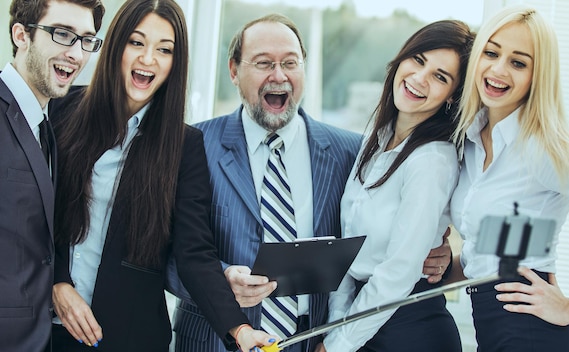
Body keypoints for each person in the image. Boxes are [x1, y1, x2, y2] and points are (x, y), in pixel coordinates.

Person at [169, 13, 453, 352]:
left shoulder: (353, 151)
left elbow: (378, 234)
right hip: (215, 340)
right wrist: (220, 280)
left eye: (291, 62)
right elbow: (161, 254)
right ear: (233, 70)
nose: (279, 75)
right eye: (263, 63)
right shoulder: (192, 143)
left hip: (311, 340)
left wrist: (437, 252)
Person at [48, 0, 275, 351]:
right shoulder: (61, 110)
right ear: (115, 46)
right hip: (47, 331)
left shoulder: (184, 146)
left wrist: (239, 330)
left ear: (175, 63)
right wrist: (58, 282)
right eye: (136, 42)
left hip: (126, 338)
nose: (148, 59)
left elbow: (194, 252)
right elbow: (33, 214)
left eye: (164, 49)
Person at [449, 4, 569, 351]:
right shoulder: (469, 142)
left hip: (532, 336)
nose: (498, 69)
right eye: (491, 52)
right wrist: (447, 265)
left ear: (537, 75)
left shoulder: (544, 150)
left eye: (518, 62)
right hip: (494, 330)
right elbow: (491, 257)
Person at [317, 20, 474, 352]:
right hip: (367, 321)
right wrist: (335, 327)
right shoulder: (380, 138)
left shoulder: (432, 160)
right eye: (418, 60)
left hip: (410, 331)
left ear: (451, 97)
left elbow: (398, 273)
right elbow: (352, 249)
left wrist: (337, 344)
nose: (420, 78)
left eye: (440, 77)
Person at [1, 0, 104, 351]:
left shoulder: (46, 126)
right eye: (62, 34)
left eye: (87, 39)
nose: (75, 53)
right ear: (21, 35)